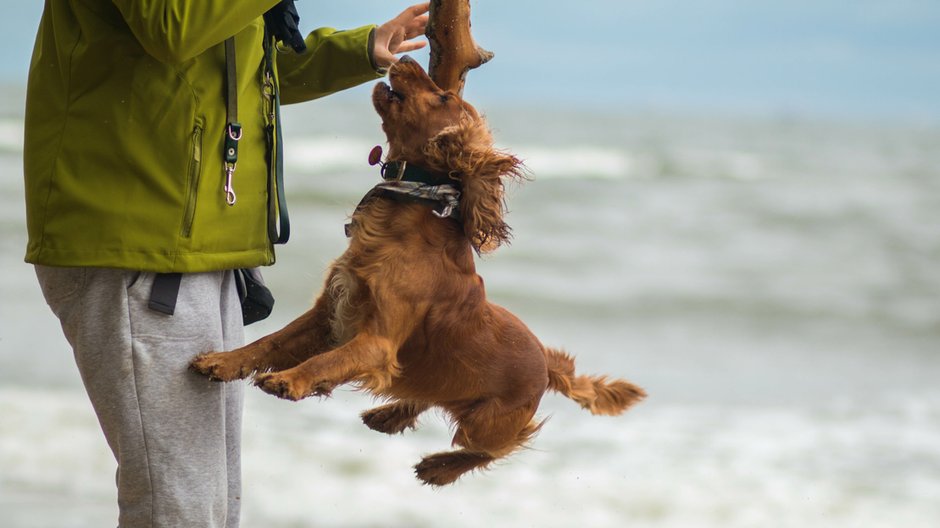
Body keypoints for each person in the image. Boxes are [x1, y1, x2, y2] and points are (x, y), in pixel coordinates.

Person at [23, 1, 429, 527]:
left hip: (197, 246)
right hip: (137, 242)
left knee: (209, 501)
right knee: (179, 505)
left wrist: (360, 49)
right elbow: (174, 29)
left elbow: (246, 68)